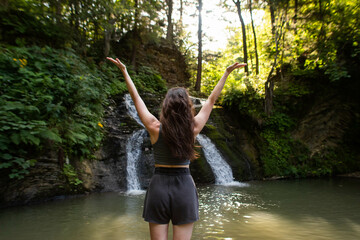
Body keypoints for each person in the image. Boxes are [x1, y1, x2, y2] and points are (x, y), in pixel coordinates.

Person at [106, 57, 246, 240]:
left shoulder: (155, 127)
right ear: (187, 107)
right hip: (184, 188)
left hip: (158, 188)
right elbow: (211, 100)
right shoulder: (193, 128)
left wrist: (124, 72)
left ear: (166, 106)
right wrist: (226, 73)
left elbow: (136, 98)